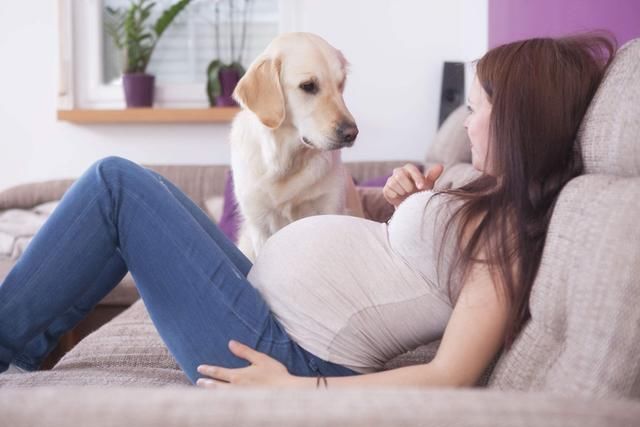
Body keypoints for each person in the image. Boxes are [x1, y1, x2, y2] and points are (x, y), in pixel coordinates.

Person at [0, 32, 616, 388]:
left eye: (477, 108)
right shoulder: (481, 190)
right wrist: (397, 202)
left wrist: (299, 390)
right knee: (137, 187)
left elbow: (448, 375)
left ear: (515, 121)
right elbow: (394, 265)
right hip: (268, 306)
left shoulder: (509, 234)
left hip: (289, 352)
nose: (467, 121)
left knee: (115, 185)